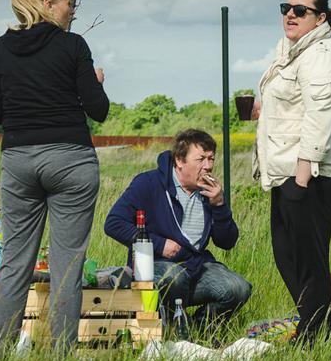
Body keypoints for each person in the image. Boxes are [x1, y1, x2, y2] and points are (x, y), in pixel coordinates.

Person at [0, 0, 109, 351]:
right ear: (49, 4)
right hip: (70, 161)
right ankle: (60, 359)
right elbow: (99, 110)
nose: (73, 10)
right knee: (66, 267)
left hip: (19, 161)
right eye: (69, 3)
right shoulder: (73, 47)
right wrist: (94, 82)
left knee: (14, 264)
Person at [252, 0, 331, 344]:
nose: (291, 13)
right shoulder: (293, 50)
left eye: (300, 10)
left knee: (306, 259)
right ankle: (319, 322)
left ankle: (313, 335)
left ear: (320, 18)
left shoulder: (321, 53)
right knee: (288, 254)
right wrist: (264, 110)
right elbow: (294, 105)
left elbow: (319, 119)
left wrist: (301, 179)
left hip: (311, 173)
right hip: (290, 170)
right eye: (286, 7)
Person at [104, 129, 251, 334]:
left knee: (238, 288)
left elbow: (227, 242)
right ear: (180, 161)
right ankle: (173, 330)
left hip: (195, 268)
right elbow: (113, 223)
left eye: (211, 158)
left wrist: (219, 205)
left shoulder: (210, 192)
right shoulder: (148, 183)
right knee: (175, 276)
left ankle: (200, 330)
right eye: (200, 159)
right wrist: (159, 244)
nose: (208, 166)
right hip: (153, 267)